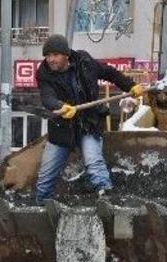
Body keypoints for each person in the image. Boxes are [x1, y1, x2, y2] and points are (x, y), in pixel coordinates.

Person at [35, 34, 145, 204]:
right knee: (45, 176)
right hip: (62, 128)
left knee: (94, 163)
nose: (50, 59)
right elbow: (47, 97)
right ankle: (41, 205)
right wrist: (59, 106)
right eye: (48, 56)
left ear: (66, 54)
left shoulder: (84, 62)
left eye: (55, 55)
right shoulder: (44, 74)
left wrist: (130, 86)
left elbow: (109, 73)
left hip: (89, 123)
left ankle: (106, 201)